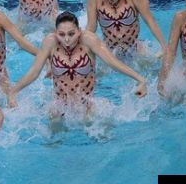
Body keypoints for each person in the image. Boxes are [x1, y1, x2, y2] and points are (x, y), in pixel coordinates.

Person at [8, 12, 147, 118]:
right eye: (61, 34)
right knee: (52, 140)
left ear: (79, 31)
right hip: (60, 106)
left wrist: (140, 79)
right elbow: (34, 71)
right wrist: (13, 92)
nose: (67, 39)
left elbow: (112, 62)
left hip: (87, 106)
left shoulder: (89, 40)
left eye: (71, 34)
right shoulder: (50, 42)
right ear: (55, 33)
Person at [86, 0, 167, 59]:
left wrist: (163, 46)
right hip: (109, 51)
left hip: (135, 48)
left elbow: (149, 20)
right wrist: (85, 49)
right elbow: (91, 27)